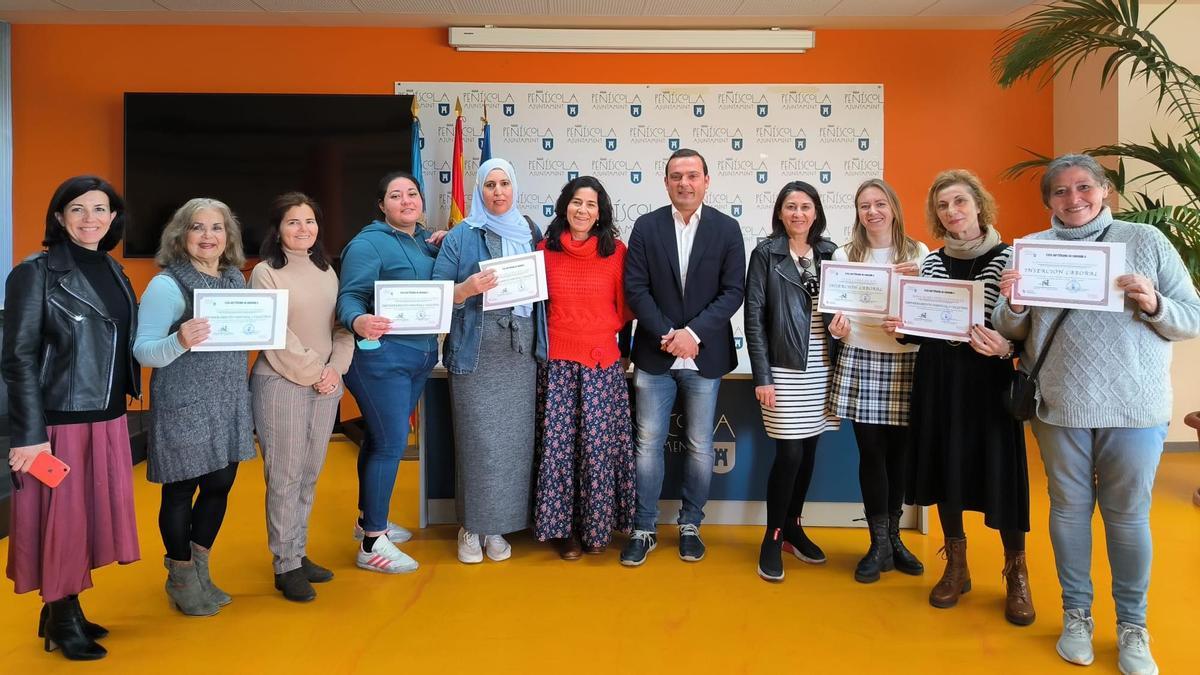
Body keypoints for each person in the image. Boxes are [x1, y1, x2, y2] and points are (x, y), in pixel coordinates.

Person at [994, 154, 1200, 674]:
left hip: (1134, 404)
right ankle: (1076, 615)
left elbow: (1191, 317)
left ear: (1105, 191)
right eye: (1060, 192)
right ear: (1048, 202)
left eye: (1084, 187)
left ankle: (1133, 626)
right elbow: (1014, 329)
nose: (1074, 199)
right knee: (1067, 511)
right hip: (1060, 404)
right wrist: (1013, 304)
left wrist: (1153, 302)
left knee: (1128, 516)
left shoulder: (1145, 241)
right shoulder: (1032, 249)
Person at [3, 176, 140, 660]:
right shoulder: (34, 272)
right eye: (77, 208)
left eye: (100, 209)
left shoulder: (112, 269)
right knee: (62, 521)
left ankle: (66, 606)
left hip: (105, 415)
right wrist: (29, 435)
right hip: (59, 421)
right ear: (59, 217)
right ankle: (61, 618)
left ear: (113, 217)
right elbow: (16, 358)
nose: (91, 218)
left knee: (86, 519)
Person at [889, 170, 1033, 626]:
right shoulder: (930, 263)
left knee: (1000, 475)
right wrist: (902, 324)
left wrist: (1008, 345)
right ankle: (957, 565)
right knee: (944, 467)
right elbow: (920, 329)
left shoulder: (1009, 259)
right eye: (942, 206)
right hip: (937, 380)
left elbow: (1027, 330)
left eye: (959, 202)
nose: (951, 212)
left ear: (979, 205)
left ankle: (1016, 572)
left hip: (987, 382)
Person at [621, 148, 746, 566]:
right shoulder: (646, 226)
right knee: (647, 445)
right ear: (666, 182)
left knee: (699, 446)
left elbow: (733, 291)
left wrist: (692, 334)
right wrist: (669, 335)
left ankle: (691, 523)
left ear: (707, 181)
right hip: (655, 357)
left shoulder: (727, 230)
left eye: (693, 175)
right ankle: (643, 526)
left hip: (704, 356)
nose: (685, 183)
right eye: (677, 176)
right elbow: (635, 289)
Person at [133, 197, 256, 617]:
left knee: (220, 485)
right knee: (181, 490)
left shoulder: (236, 280)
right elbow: (144, 351)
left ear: (229, 236)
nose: (208, 236)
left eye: (217, 228)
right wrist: (180, 340)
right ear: (181, 235)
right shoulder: (167, 285)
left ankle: (202, 570)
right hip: (184, 402)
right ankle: (181, 575)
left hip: (228, 399)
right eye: (198, 228)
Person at [433, 157, 548, 564]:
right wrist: (464, 290)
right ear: (479, 191)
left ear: (514, 187)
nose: (498, 192)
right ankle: (471, 528)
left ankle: (497, 528)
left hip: (521, 354)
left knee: (513, 446)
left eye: (504, 183)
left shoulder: (531, 231)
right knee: (478, 443)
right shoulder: (462, 236)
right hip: (475, 352)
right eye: (489, 185)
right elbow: (437, 294)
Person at [250, 192, 353, 600]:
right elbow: (273, 334)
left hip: (326, 383)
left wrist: (335, 371)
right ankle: (284, 564)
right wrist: (316, 373)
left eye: (309, 221)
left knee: (309, 474)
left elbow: (341, 327)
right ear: (278, 230)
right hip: (281, 383)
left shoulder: (327, 270)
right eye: (293, 222)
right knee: (285, 476)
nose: (302, 229)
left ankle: (299, 550)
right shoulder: (264, 273)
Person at [337, 171, 440, 575]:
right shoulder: (368, 243)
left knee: (381, 438)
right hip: (380, 360)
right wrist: (358, 320)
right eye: (396, 196)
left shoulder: (426, 241)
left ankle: (368, 520)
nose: (406, 201)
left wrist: (446, 242)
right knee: (393, 441)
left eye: (412, 193)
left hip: (419, 358)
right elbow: (350, 296)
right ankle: (372, 543)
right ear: (382, 205)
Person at [827, 179, 928, 583]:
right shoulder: (844, 254)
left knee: (900, 453)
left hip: (907, 359)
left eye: (879, 203)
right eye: (864, 205)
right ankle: (878, 543)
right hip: (860, 356)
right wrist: (836, 329)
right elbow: (836, 315)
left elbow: (929, 312)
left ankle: (894, 537)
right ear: (857, 213)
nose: (872, 211)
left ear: (893, 207)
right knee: (871, 452)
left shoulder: (918, 253)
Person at [533, 176, 635, 559]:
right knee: (560, 453)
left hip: (601, 366)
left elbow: (626, 310)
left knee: (597, 451)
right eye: (577, 202)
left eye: (591, 204)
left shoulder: (616, 253)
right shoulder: (543, 252)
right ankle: (565, 533)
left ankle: (596, 527)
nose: (582, 210)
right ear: (565, 206)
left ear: (600, 212)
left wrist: (621, 353)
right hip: (557, 365)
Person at [744, 181, 840, 582]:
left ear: (816, 211)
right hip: (784, 370)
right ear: (780, 213)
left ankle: (794, 528)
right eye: (790, 207)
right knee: (790, 456)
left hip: (824, 368)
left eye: (805, 206)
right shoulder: (766, 253)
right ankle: (773, 535)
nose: (798, 213)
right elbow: (754, 318)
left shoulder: (832, 254)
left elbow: (846, 306)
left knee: (810, 452)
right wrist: (763, 376)